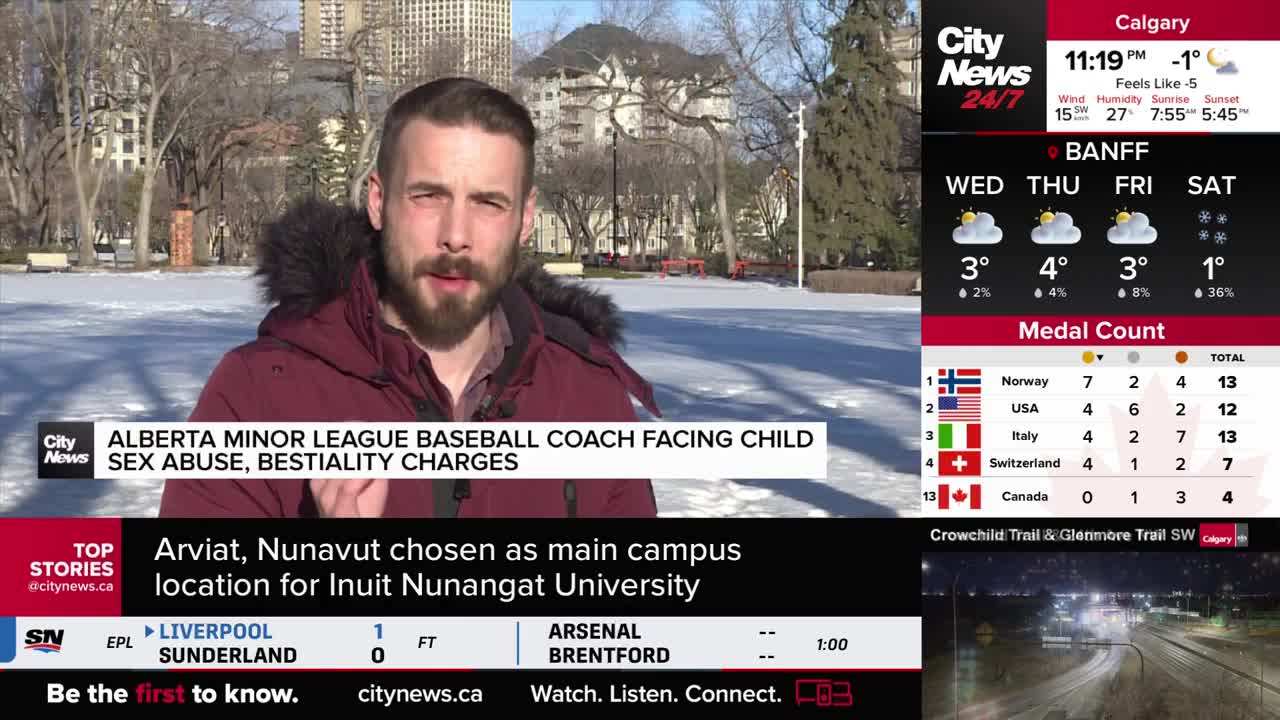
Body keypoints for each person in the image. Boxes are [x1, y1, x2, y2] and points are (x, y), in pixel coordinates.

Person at [158, 77, 661, 518]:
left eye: (488, 202)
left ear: (525, 218)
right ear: (378, 201)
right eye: (429, 196)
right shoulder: (257, 394)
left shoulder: (590, 396)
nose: (455, 236)